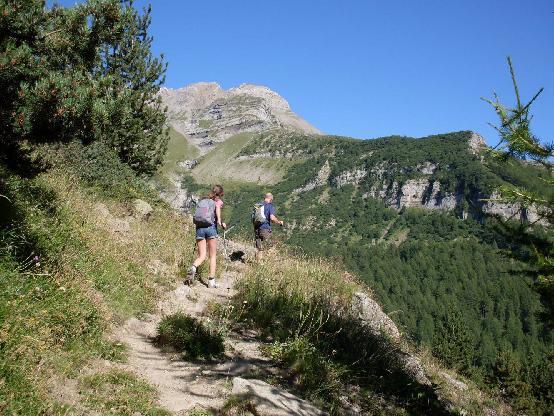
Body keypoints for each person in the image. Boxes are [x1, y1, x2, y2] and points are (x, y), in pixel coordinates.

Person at [187, 185, 226, 288]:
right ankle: (211, 281)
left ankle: (193, 267)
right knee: (212, 256)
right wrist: (222, 224)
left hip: (200, 229)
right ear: (220, 194)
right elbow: (218, 220)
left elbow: (202, 217)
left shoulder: (204, 201)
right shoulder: (217, 203)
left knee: (202, 256)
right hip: (211, 229)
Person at [253, 192, 284, 260]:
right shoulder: (270, 206)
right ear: (271, 199)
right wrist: (279, 222)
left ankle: (258, 264)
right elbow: (272, 218)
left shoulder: (258, 205)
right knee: (271, 246)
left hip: (256, 229)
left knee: (259, 248)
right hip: (265, 229)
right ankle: (268, 261)